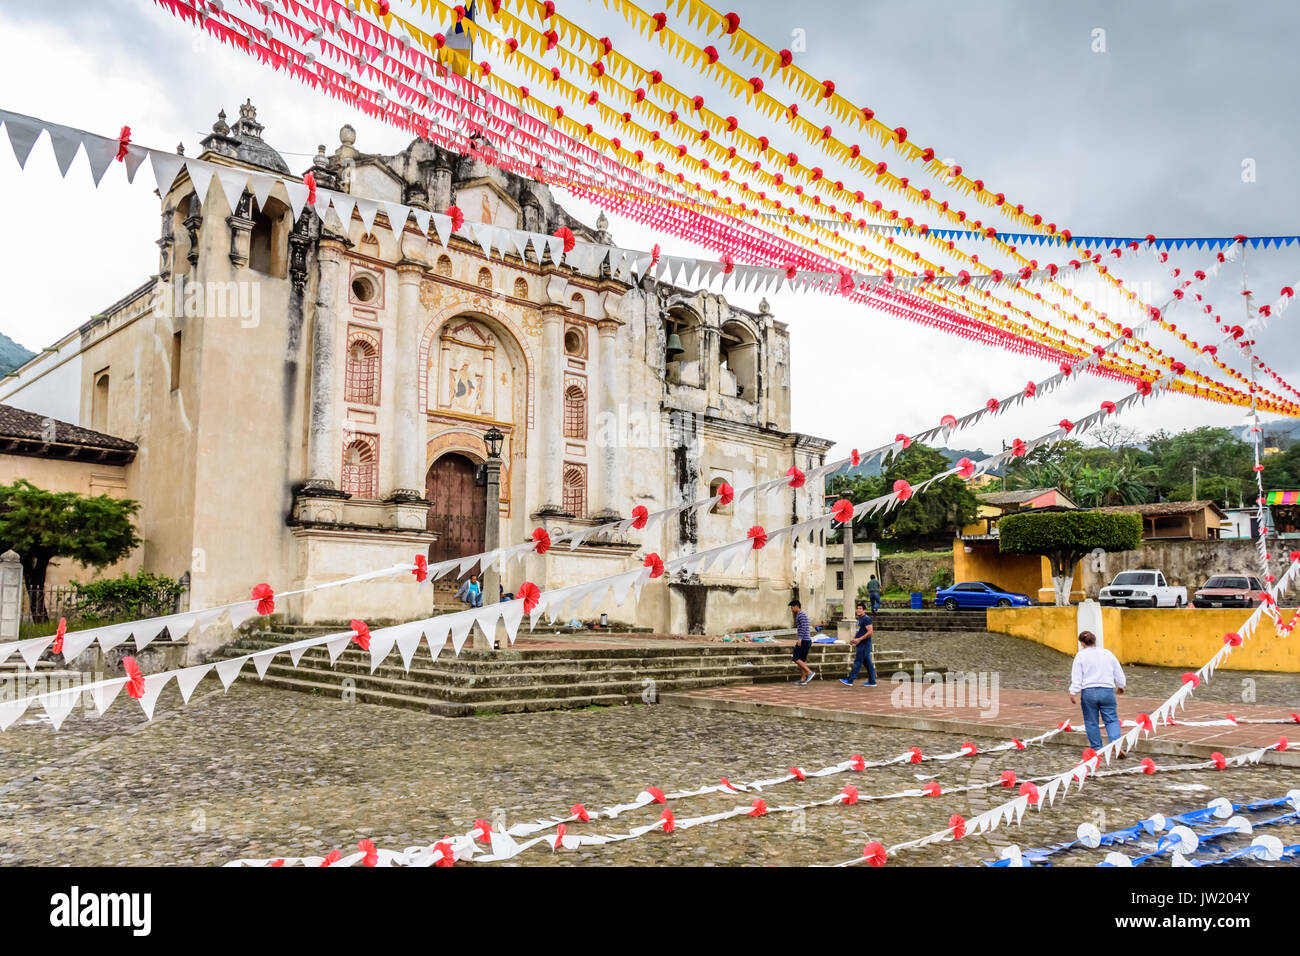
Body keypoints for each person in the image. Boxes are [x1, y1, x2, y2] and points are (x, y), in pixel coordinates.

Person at [1068, 630, 1127, 756]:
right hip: (1107, 691)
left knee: (1091, 721)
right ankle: (1115, 745)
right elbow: (1118, 671)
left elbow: (1077, 676)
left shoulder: (1080, 656)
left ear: (1082, 643)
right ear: (1095, 641)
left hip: (1089, 692)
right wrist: (1121, 685)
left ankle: (1096, 748)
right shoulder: (1107, 654)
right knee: (1111, 720)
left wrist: (1073, 692)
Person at [839, 601, 876, 686]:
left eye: (860, 609)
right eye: (857, 608)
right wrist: (854, 639)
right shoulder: (860, 619)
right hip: (860, 644)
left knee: (858, 662)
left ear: (864, 610)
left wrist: (859, 639)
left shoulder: (866, 619)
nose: (858, 610)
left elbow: (870, 631)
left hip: (864, 644)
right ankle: (872, 681)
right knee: (868, 664)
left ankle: (850, 680)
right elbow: (858, 630)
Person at [789, 599, 816, 684]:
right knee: (801, 660)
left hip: (804, 640)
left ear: (797, 606)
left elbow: (804, 627)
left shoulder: (801, 615)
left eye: (792, 607)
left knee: (796, 658)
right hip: (806, 640)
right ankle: (803, 679)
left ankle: (809, 672)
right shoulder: (800, 615)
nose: (792, 610)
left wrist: (800, 639)